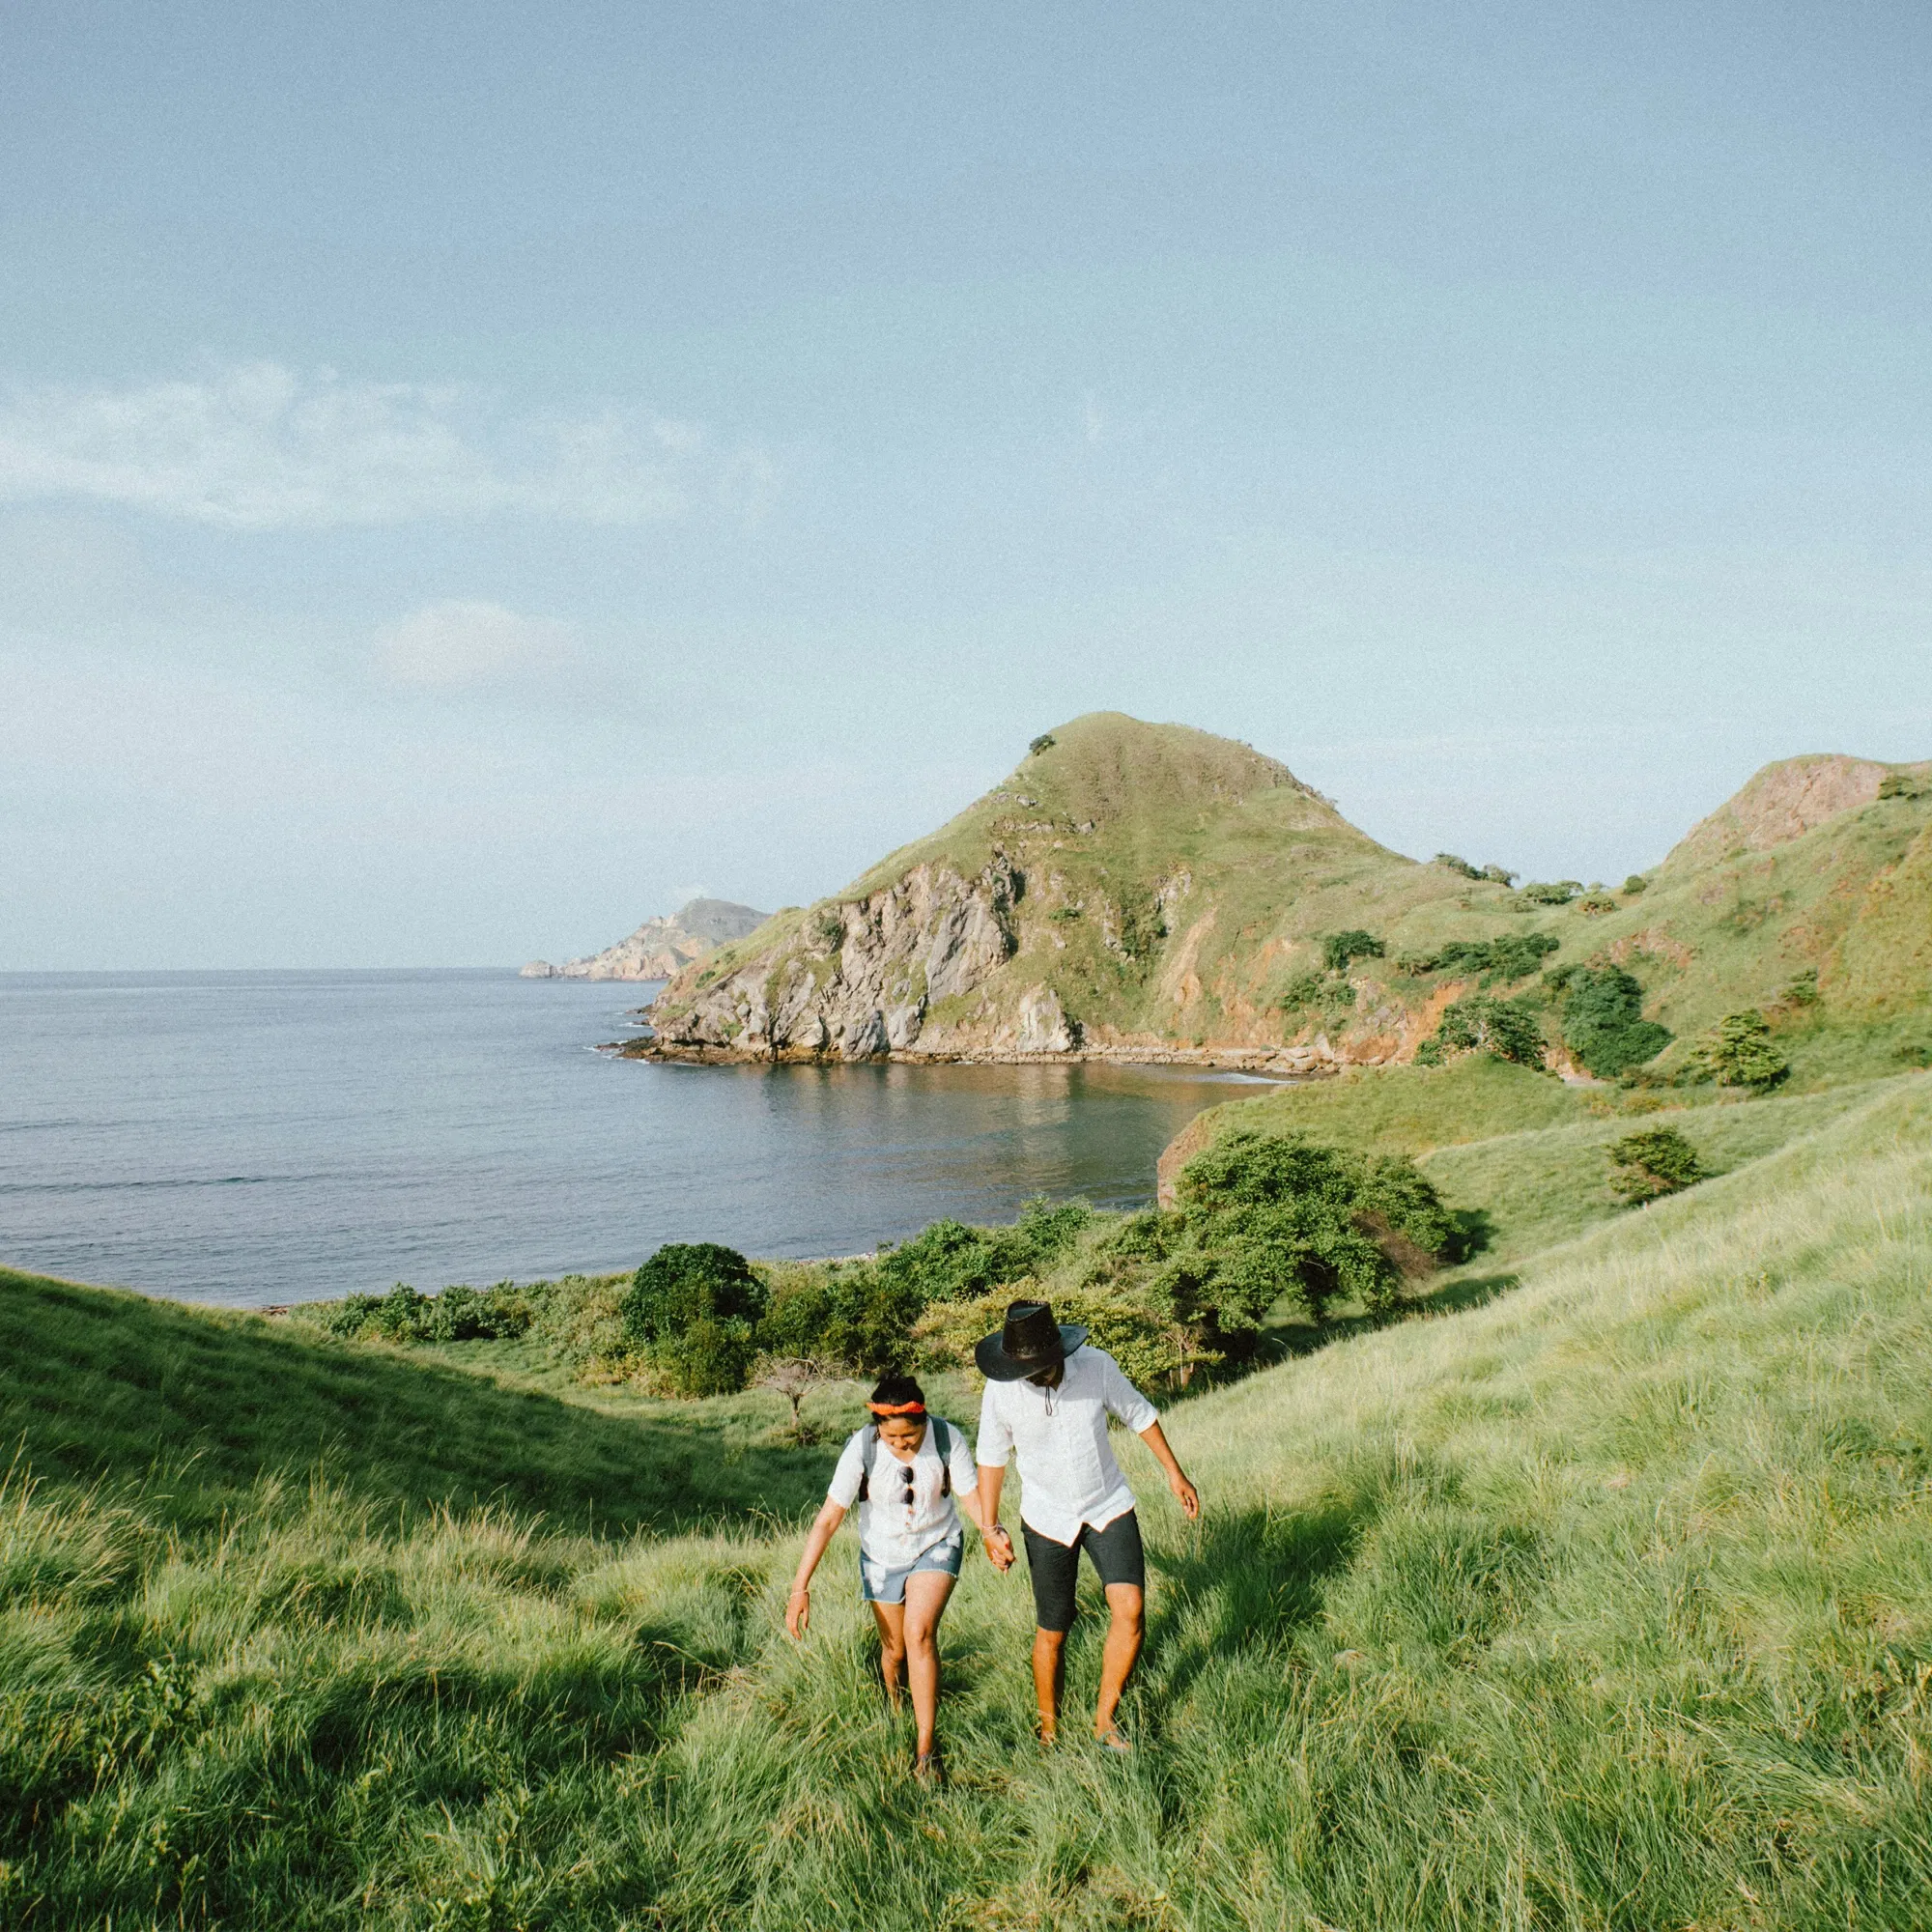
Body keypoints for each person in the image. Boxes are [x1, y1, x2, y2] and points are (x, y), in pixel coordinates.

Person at [974, 1298, 1200, 1752]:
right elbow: (992, 1458)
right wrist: (989, 1526)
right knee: (1054, 1630)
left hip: (1106, 1504)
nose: (1035, 1376)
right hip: (1046, 1518)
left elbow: (1139, 1413)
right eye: (1026, 1369)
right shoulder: (1001, 1390)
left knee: (1131, 1610)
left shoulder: (1095, 1366)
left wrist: (1174, 1473)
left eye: (1042, 1366)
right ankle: (1049, 1730)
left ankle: (1105, 1720)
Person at [785, 1373, 1004, 1781]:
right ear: (878, 1431)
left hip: (937, 1542)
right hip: (881, 1554)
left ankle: (925, 1750)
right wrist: (800, 1588)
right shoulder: (861, 1448)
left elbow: (970, 1495)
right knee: (895, 1652)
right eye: (892, 1439)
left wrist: (991, 1533)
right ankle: (896, 1704)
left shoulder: (946, 1438)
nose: (902, 1445)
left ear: (924, 1422)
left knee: (919, 1634)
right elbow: (829, 1519)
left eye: (910, 1437)